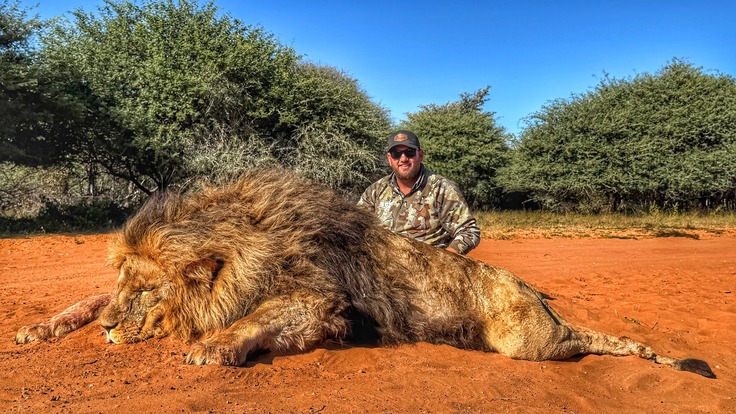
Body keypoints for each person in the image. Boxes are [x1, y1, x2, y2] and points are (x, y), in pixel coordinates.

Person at [358, 130, 481, 255]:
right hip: (385, 263)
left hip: (428, 264)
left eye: (410, 152)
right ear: (389, 159)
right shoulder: (375, 191)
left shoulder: (441, 188)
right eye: (396, 154)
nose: (403, 159)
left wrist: (444, 260)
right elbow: (357, 229)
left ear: (420, 155)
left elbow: (469, 232)